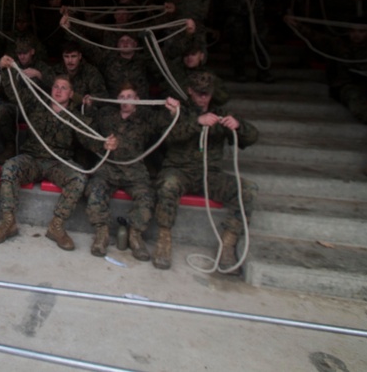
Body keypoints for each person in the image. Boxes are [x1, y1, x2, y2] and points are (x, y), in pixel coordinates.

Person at [0, 57, 117, 250]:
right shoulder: (36, 105)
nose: (58, 90)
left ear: (71, 93)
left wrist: (105, 145)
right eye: (56, 86)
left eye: (63, 87)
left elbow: (89, 139)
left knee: (79, 178)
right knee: (9, 169)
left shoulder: (75, 117)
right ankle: (8, 222)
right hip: (32, 159)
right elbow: (14, 92)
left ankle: (56, 226)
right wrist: (5, 70)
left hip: (58, 163)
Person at [152, 71, 259, 273]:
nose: (203, 98)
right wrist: (197, 122)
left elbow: (252, 137)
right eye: (199, 93)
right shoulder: (178, 112)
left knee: (248, 189)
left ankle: (227, 244)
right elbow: (167, 137)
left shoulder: (221, 113)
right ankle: (163, 240)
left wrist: (238, 127)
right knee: (168, 184)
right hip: (180, 171)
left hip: (210, 174)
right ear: (190, 91)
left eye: (207, 93)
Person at [83, 86, 178, 260]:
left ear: (137, 99)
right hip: (109, 168)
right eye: (122, 96)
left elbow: (164, 122)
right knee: (95, 189)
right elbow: (87, 126)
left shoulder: (146, 118)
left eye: (129, 96)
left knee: (147, 196)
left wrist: (172, 110)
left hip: (134, 172)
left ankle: (135, 235)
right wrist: (88, 106)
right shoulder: (107, 116)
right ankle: (101, 233)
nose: (125, 100)